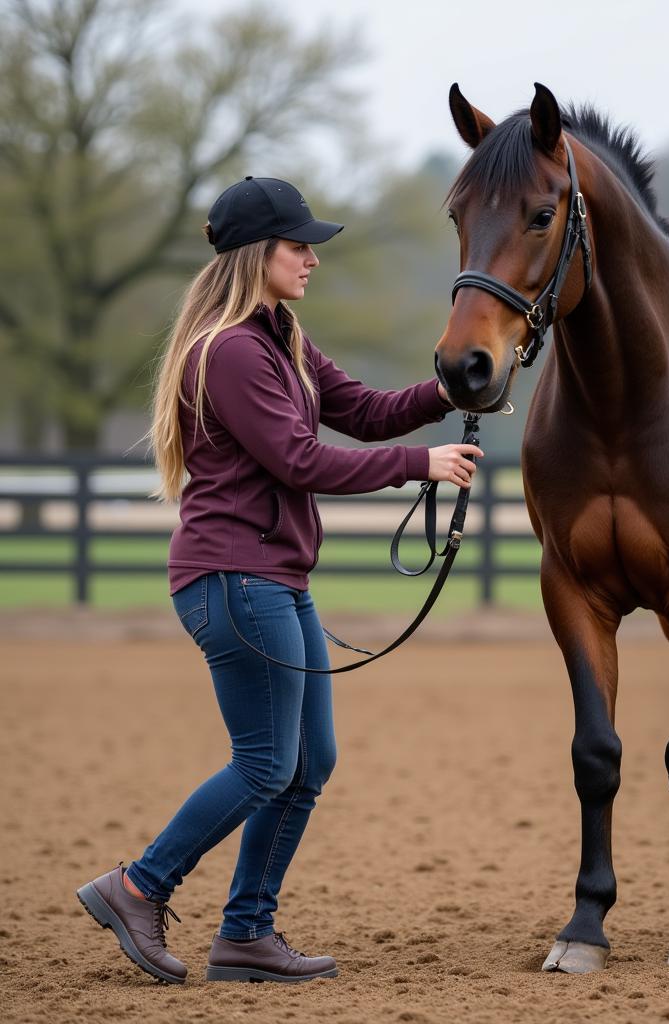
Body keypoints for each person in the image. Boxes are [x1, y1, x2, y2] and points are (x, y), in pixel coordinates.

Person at [76, 176, 482, 985]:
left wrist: (446, 395)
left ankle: (246, 934)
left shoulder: (279, 336)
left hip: (270, 577)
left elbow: (360, 410)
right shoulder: (229, 351)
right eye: (300, 247)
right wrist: (419, 465)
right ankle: (137, 886)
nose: (312, 261)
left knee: (309, 761)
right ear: (260, 254)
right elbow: (300, 459)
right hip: (234, 578)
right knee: (266, 762)